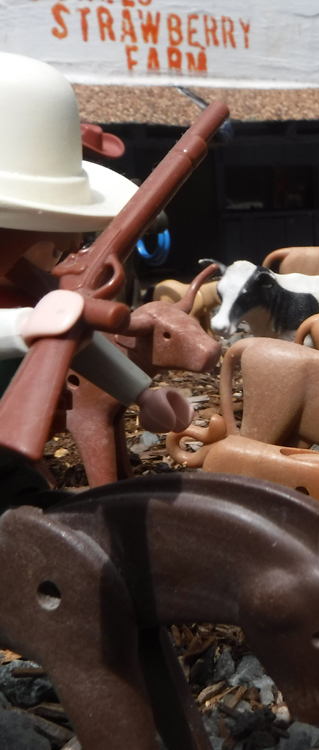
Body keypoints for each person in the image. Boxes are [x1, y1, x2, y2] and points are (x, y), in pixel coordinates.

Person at [0, 52, 193, 499]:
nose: (71, 244)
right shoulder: (28, 305)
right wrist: (23, 326)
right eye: (45, 226)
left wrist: (142, 394)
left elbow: (79, 341)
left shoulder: (33, 286)